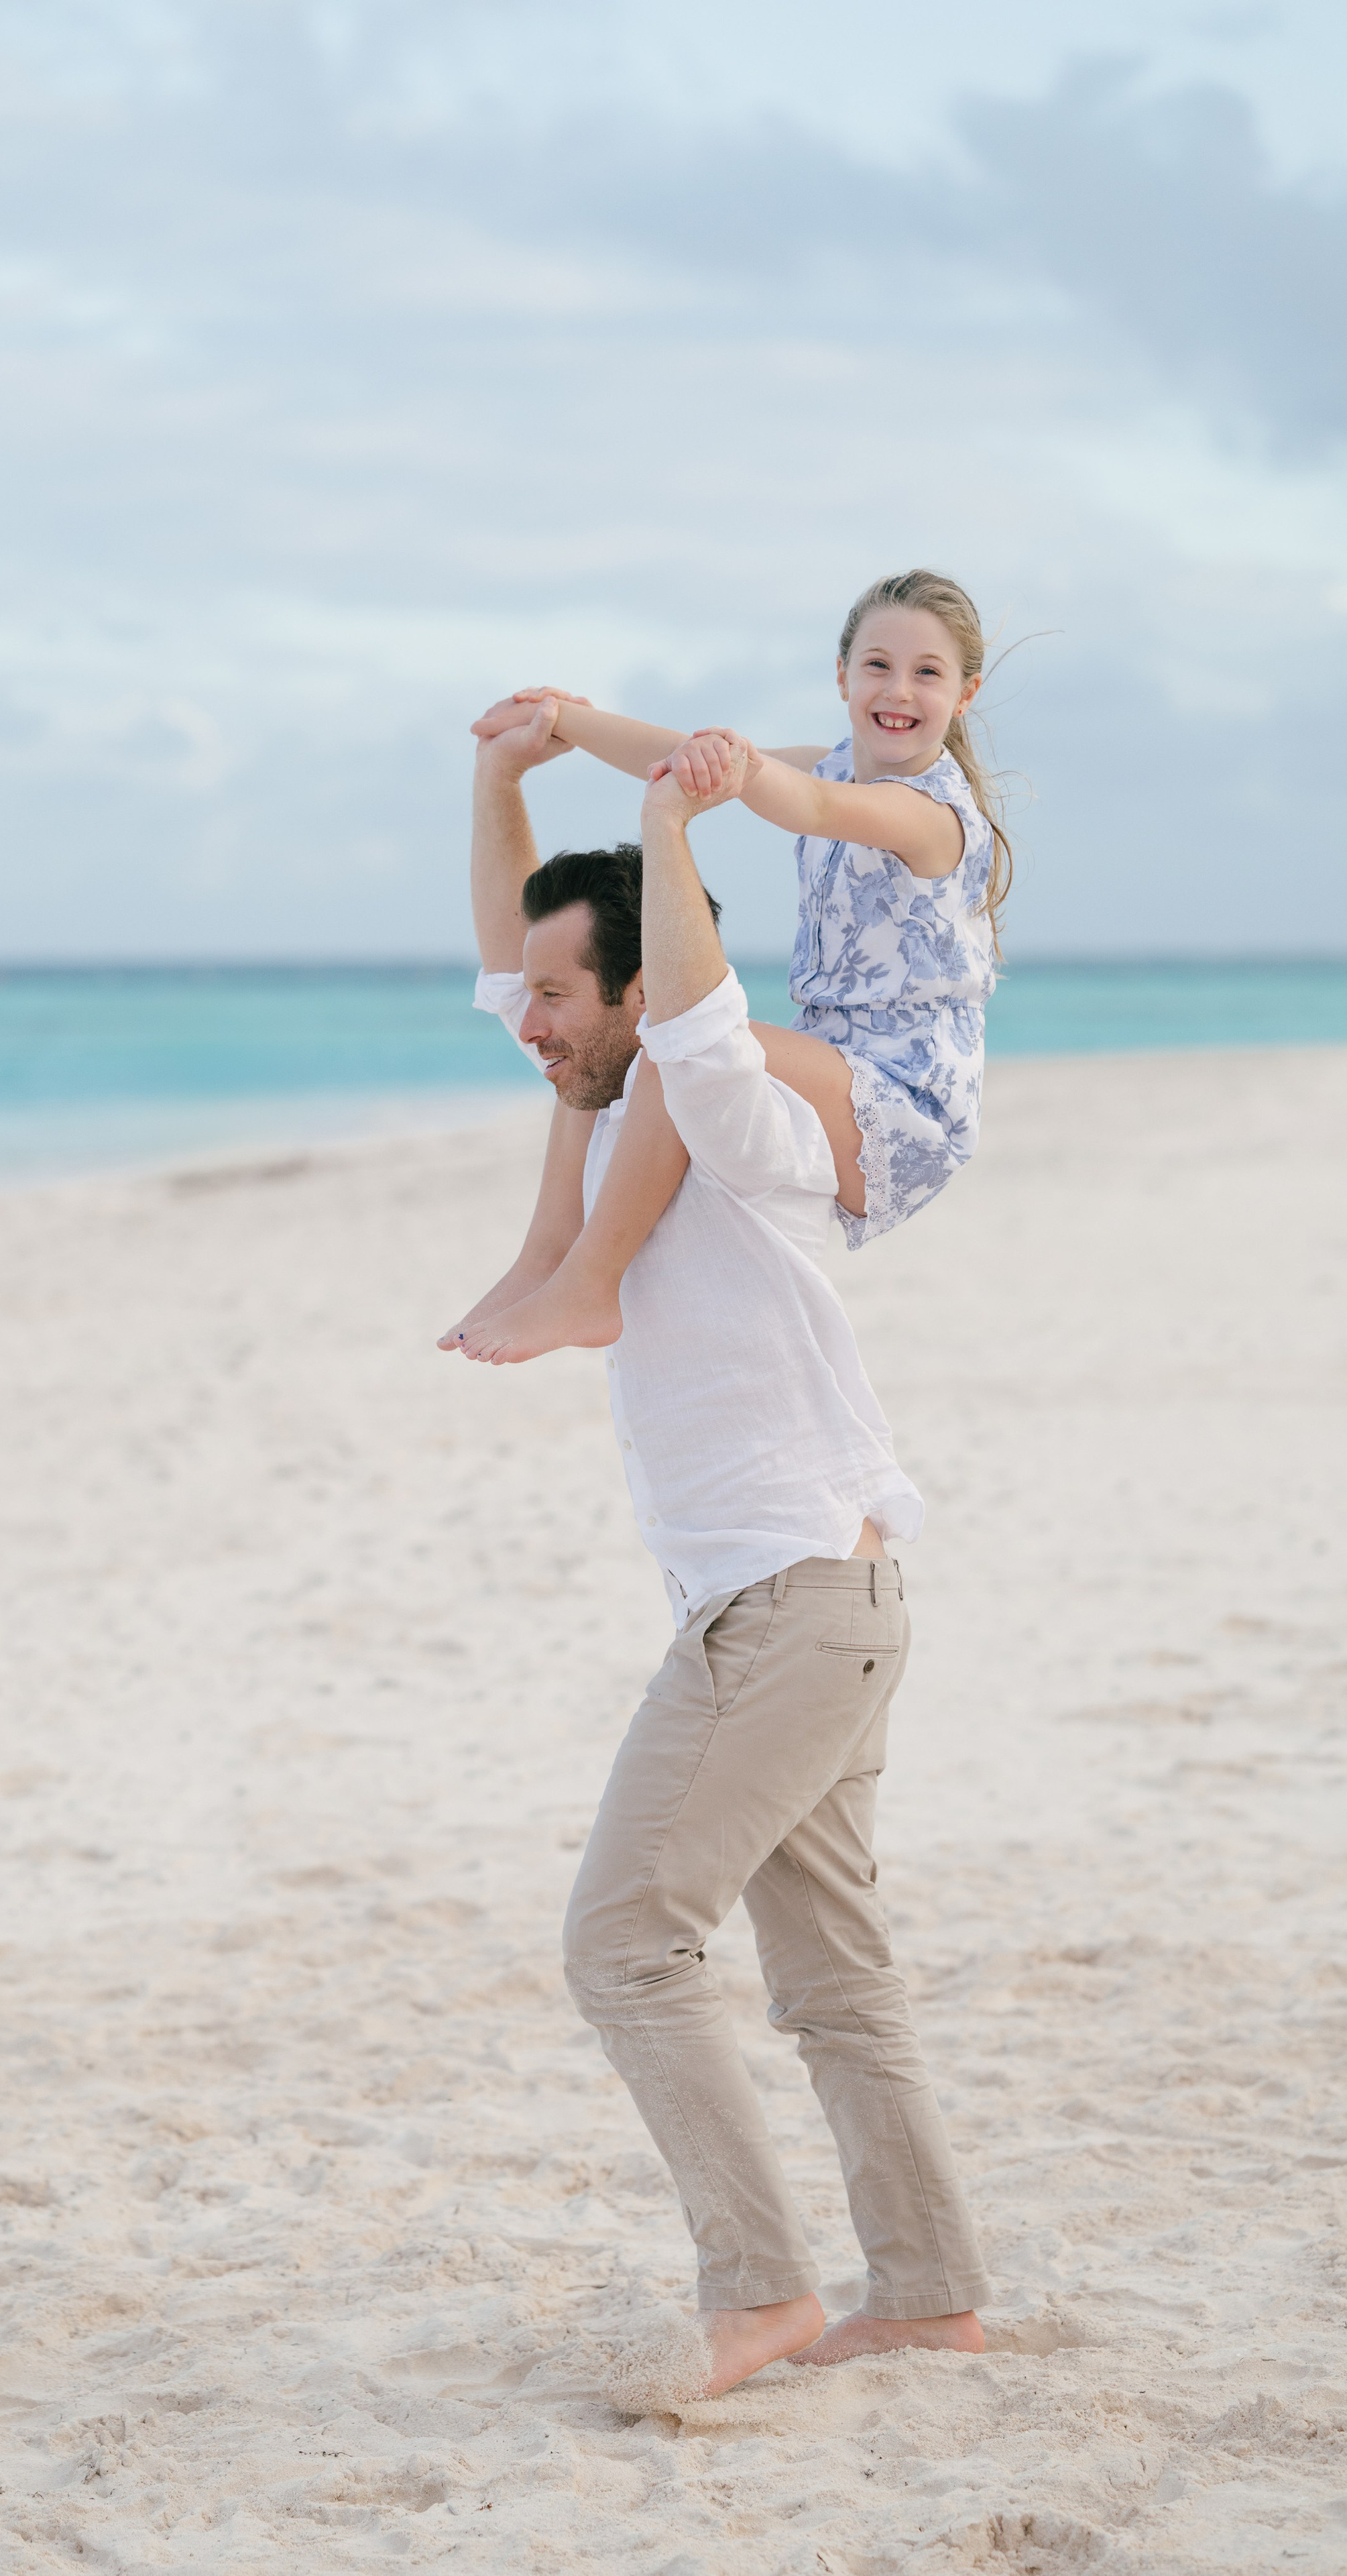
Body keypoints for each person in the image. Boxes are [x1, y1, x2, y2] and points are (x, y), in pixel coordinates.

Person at [449, 699, 994, 2409]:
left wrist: (674, 827)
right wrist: (501, 775)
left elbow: (690, 1015)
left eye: (563, 995)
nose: (530, 1019)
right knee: (832, 1982)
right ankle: (927, 2297)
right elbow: (518, 963)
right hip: (816, 1599)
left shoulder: (731, 1115)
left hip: (789, 1603)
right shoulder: (609, 1108)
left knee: (622, 1940)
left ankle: (759, 2295)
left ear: (638, 995)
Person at [445, 569, 1008, 1367]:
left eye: (927, 672)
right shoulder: (831, 763)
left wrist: (733, 765)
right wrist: (561, 719)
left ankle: (589, 1282)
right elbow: (674, 758)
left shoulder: (931, 815)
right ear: (842, 675)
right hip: (835, 1059)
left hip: (906, 1101)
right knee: (622, 1034)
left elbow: (810, 807)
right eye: (878, 665)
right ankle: (547, 1252)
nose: (898, 690)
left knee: (678, 1040)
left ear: (965, 694)